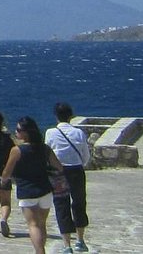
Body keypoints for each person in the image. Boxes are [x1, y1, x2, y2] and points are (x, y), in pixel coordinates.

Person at [0, 116, 62, 254]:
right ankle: (40, 250)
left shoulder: (17, 150)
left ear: (26, 132)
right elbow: (59, 167)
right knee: (41, 224)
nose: (16, 132)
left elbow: (7, 172)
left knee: (33, 225)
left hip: (27, 191)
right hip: (45, 190)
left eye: (18, 130)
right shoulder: (45, 148)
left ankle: (40, 252)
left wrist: (3, 181)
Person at [46, 102, 91, 252]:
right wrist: (78, 164)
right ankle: (80, 240)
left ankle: (67, 245)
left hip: (58, 173)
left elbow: (48, 154)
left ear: (55, 116)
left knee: (61, 205)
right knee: (79, 203)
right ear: (71, 116)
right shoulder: (79, 133)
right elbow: (86, 156)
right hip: (77, 171)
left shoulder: (50, 133)